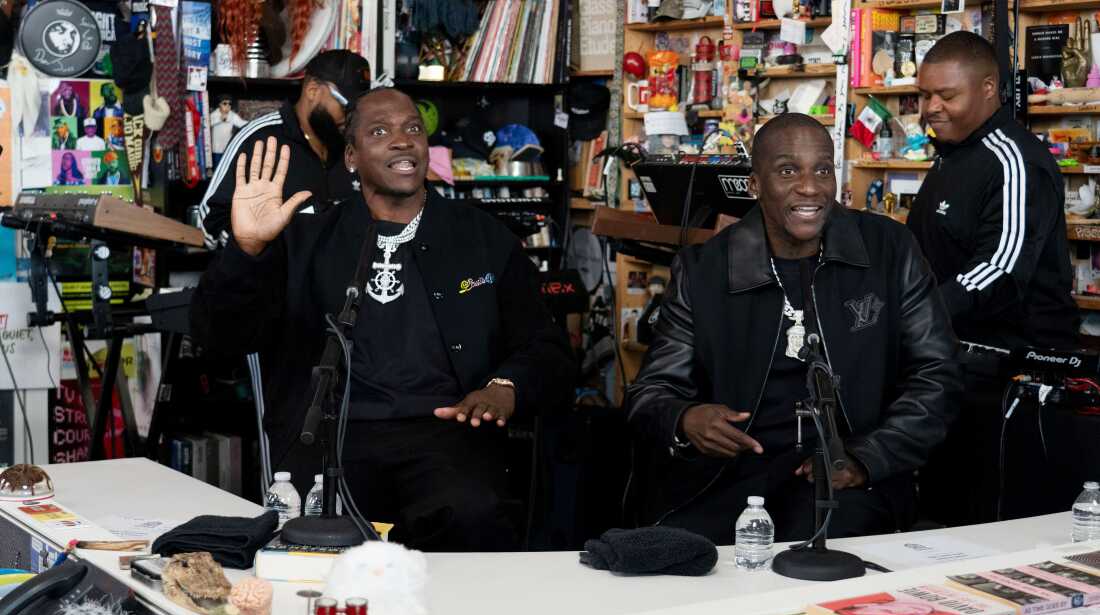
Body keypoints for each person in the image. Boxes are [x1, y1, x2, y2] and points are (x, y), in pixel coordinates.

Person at [190, 88, 574, 551]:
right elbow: (219, 338)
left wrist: (505, 387)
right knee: (316, 542)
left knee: (476, 514)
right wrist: (246, 250)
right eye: (379, 131)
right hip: (331, 440)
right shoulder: (309, 239)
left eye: (412, 128)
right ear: (351, 157)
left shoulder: (482, 238)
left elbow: (546, 348)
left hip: (446, 437)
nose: (401, 140)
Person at [625, 113, 961, 544]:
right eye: (788, 170)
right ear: (754, 185)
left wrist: (866, 458)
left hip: (849, 479)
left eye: (822, 169)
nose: (810, 187)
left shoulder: (888, 249)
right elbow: (651, 391)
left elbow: (938, 373)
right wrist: (685, 418)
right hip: (727, 481)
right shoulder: (703, 269)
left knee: (820, 553)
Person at [909, 31, 1079, 525]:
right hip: (954, 364)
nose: (931, 108)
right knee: (941, 512)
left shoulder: (1014, 159)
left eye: (947, 95)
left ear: (988, 89)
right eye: (924, 95)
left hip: (1011, 377)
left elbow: (1001, 268)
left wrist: (918, 317)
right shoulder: (951, 154)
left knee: (992, 523)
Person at [197, 50, 370, 249]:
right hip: (264, 278)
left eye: (358, 109)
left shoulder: (355, 147)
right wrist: (259, 244)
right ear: (313, 90)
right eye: (346, 106)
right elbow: (208, 226)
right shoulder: (260, 138)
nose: (351, 117)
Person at [209, 94, 248, 167]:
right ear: (219, 105)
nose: (227, 106)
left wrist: (253, 123)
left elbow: (241, 123)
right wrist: (220, 119)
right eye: (224, 103)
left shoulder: (232, 115)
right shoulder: (214, 115)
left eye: (229, 104)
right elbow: (208, 123)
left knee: (227, 167)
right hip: (217, 148)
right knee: (217, 167)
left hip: (228, 147)